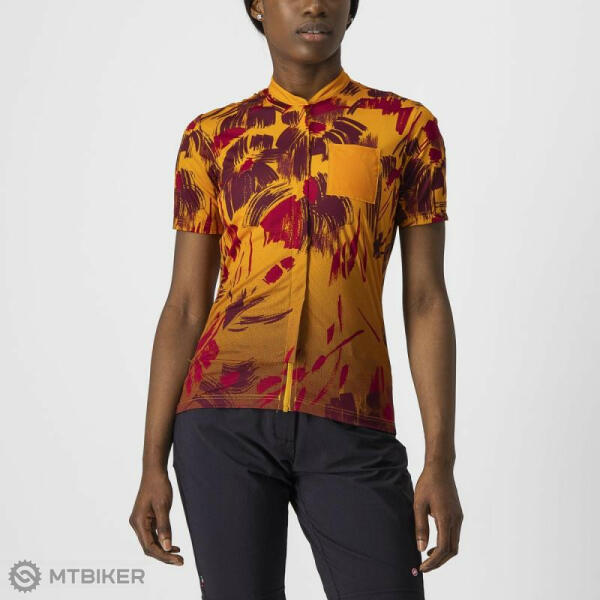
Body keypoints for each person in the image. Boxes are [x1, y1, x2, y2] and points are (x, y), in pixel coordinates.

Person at [129, 1, 463, 598]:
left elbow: (425, 300)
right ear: (258, 6)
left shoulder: (405, 128)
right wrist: (152, 463)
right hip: (221, 421)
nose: (314, 4)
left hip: (351, 416)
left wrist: (440, 460)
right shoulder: (212, 137)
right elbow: (184, 305)